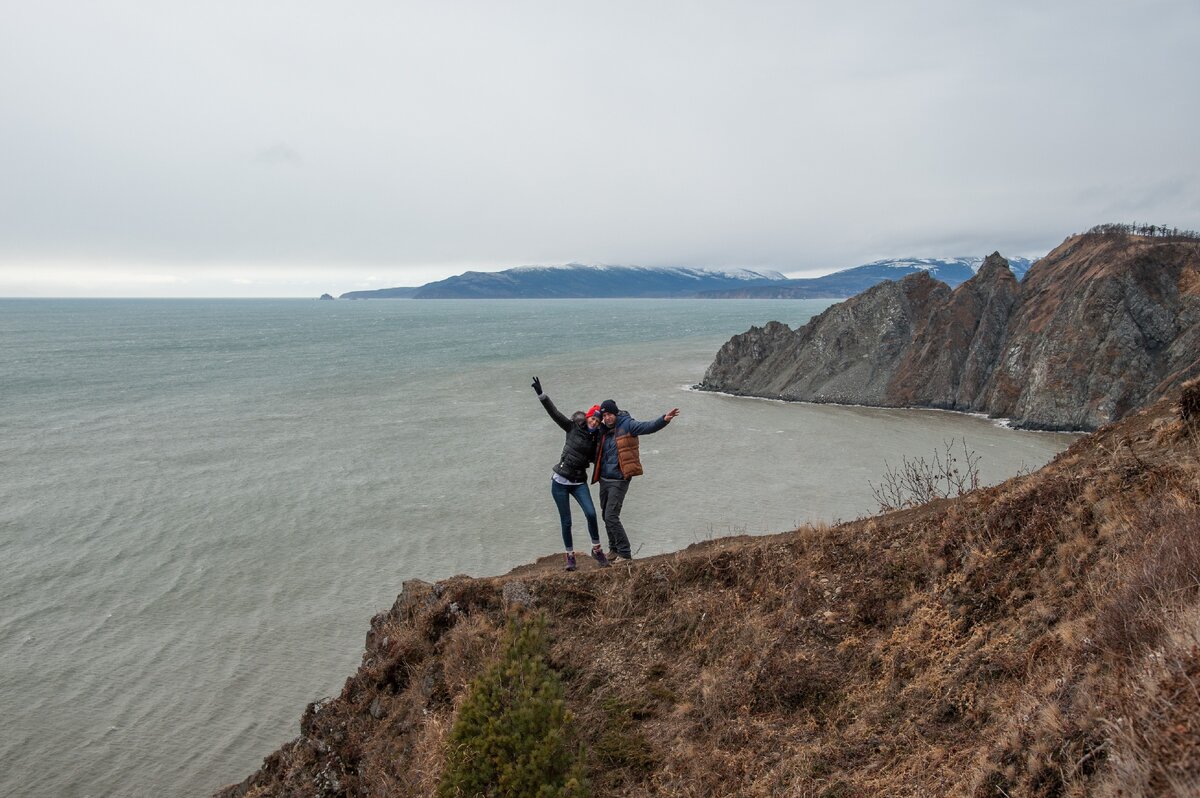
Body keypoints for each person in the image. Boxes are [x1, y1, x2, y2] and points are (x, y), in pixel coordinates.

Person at [532, 376, 610, 571]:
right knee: (566, 522)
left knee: (591, 514)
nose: (595, 421)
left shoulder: (597, 440)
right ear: (587, 417)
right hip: (559, 481)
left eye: (598, 420)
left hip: (578, 481)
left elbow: (603, 454)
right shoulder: (572, 427)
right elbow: (554, 413)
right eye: (593, 417)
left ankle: (597, 549)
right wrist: (542, 395)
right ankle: (570, 557)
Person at [591, 398, 680, 562]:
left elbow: (647, 427)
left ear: (616, 413)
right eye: (605, 415)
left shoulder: (628, 425)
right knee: (605, 515)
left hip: (619, 478)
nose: (608, 418)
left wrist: (663, 420)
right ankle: (614, 549)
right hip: (604, 479)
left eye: (610, 414)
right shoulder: (602, 430)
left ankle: (625, 553)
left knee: (611, 515)